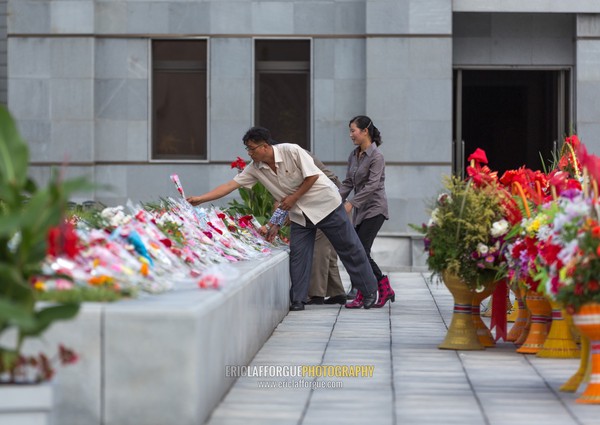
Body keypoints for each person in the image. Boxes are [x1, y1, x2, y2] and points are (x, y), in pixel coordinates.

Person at [186, 126, 378, 311]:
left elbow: (312, 177)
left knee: (349, 248)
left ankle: (369, 292)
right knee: (298, 255)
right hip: (300, 215)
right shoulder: (255, 168)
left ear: (265, 146)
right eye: (247, 149)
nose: (249, 153)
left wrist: (293, 198)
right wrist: (201, 198)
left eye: (252, 149)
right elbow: (230, 185)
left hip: (325, 206)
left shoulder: (291, 150)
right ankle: (298, 300)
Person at [261, 150, 346, 306]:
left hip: (324, 205)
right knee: (327, 251)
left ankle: (315, 294)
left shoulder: (294, 158)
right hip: (319, 205)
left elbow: (291, 198)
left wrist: (274, 223)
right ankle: (337, 292)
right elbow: (282, 201)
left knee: (318, 250)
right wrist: (274, 223)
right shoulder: (279, 164)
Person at [340, 116, 394, 308]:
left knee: (360, 250)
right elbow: (348, 183)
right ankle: (371, 289)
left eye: (353, 130)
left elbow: (372, 186)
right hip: (360, 211)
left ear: (365, 131)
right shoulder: (354, 155)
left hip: (375, 208)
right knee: (359, 251)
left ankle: (380, 286)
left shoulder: (377, 157)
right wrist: (335, 200)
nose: (351, 135)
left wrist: (352, 203)